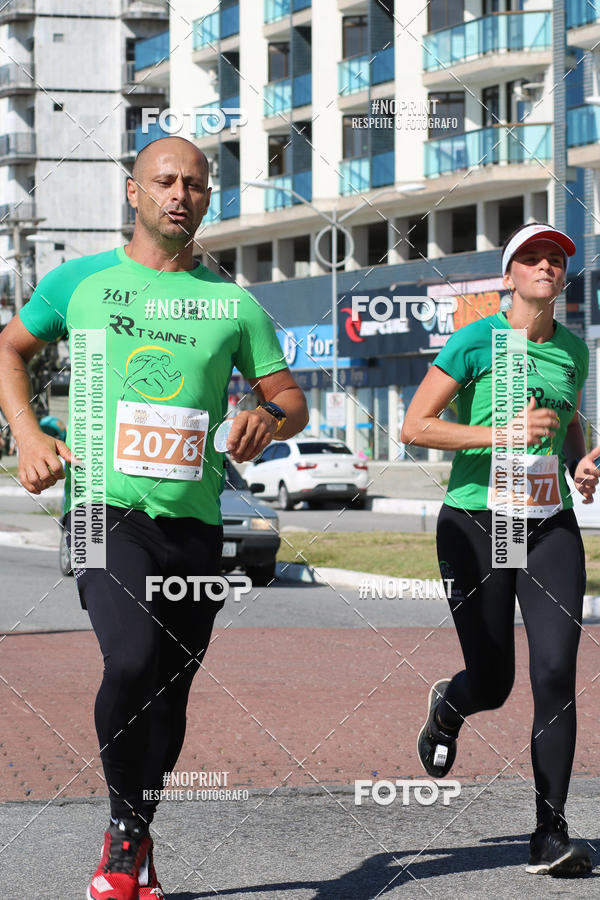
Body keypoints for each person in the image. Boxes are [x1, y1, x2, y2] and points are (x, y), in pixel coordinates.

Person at [0, 136, 308, 900]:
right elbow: (8, 350)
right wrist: (31, 434)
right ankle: (123, 836)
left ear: (208, 199)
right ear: (133, 193)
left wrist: (266, 414)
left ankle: (134, 838)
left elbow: (291, 399)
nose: (181, 193)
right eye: (164, 181)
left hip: (195, 527)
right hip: (106, 512)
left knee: (169, 699)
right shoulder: (81, 282)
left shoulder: (232, 304)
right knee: (130, 662)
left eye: (196, 184)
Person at [401, 222, 597, 877]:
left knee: (554, 674)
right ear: (510, 276)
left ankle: (550, 832)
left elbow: (568, 421)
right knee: (495, 681)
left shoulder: (573, 349)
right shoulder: (476, 340)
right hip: (479, 524)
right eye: (533, 258)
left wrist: (582, 466)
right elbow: (415, 426)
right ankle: (448, 711)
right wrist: (499, 433)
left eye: (556, 260)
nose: (547, 267)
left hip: (548, 528)